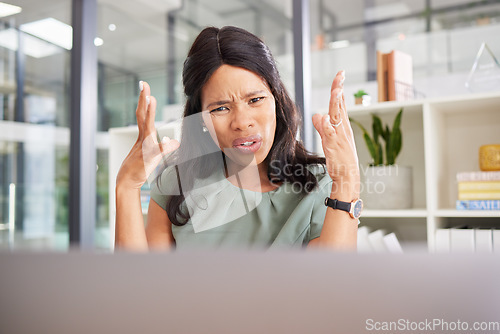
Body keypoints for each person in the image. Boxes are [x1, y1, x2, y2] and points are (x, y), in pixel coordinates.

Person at [115, 26, 360, 251]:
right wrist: (127, 186)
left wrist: (348, 177)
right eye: (220, 108)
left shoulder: (318, 185)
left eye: (255, 100)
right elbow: (143, 290)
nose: (242, 122)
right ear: (201, 119)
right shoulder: (175, 185)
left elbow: (330, 286)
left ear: (277, 101)